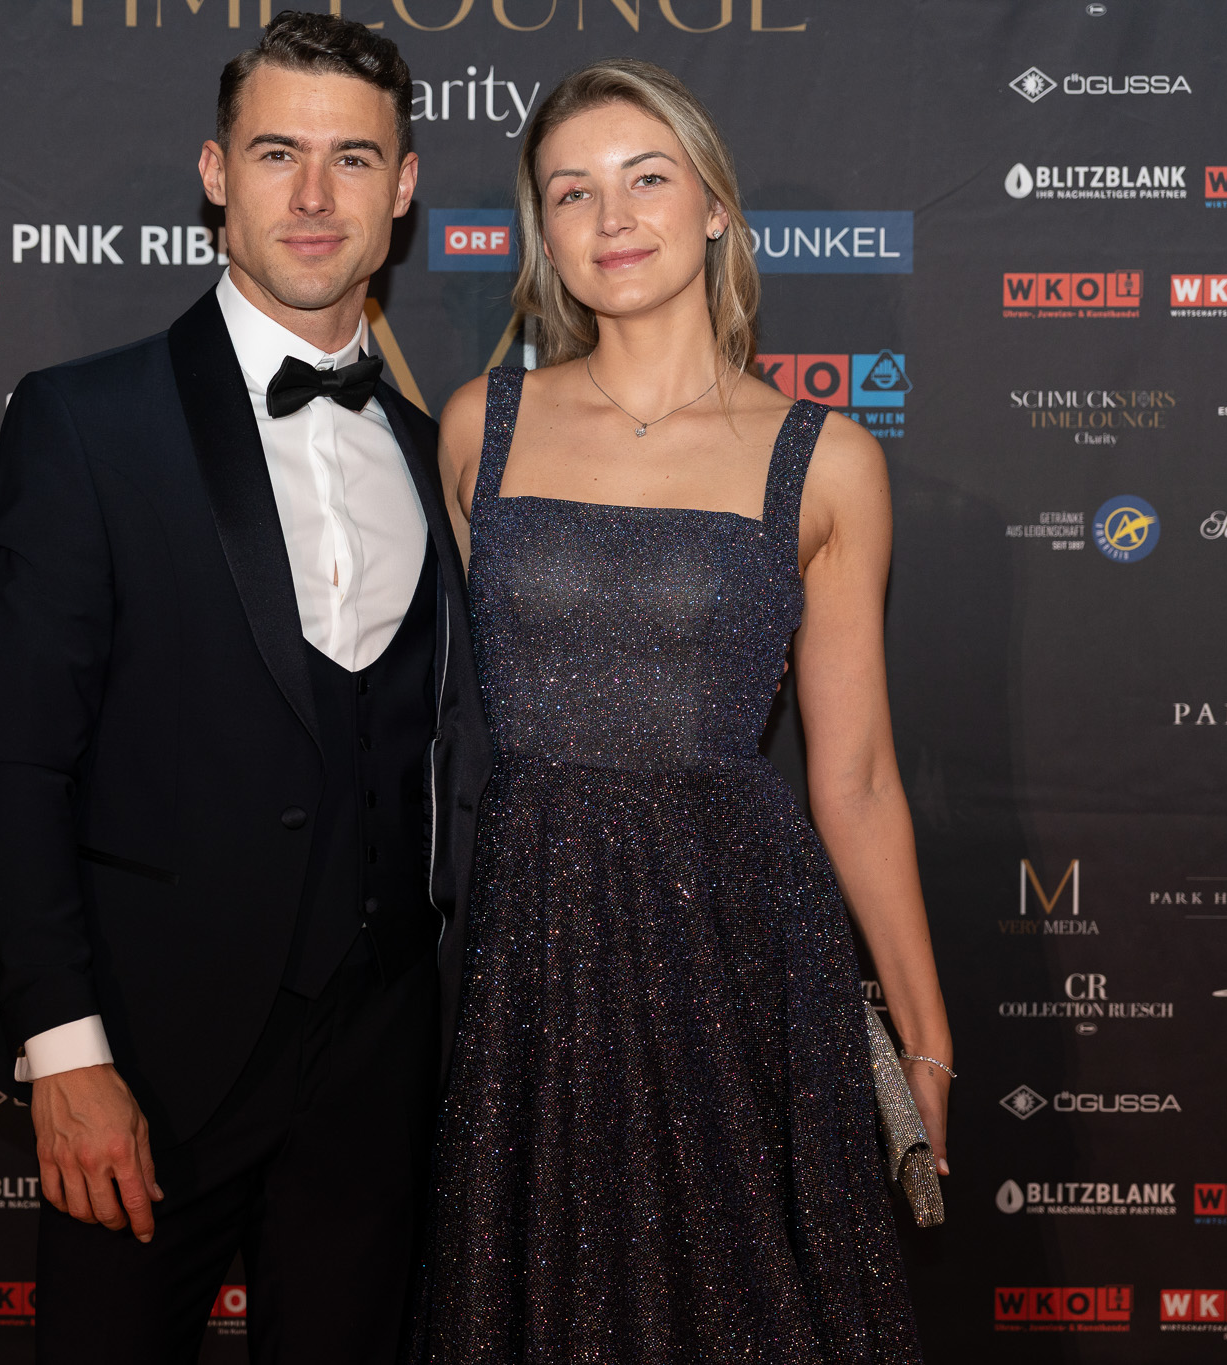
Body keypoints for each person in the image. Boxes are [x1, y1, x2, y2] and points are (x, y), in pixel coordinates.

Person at [0, 13, 487, 1362]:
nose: (314, 197)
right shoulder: (85, 421)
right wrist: (65, 1052)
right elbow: (13, 765)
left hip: (377, 1077)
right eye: (275, 153)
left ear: (404, 188)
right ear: (215, 172)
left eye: (352, 159)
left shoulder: (436, 449)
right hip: (143, 1068)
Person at [409, 59, 948, 1362]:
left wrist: (924, 1032)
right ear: (545, 232)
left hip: (734, 940)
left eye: (646, 178)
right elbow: (455, 727)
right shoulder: (482, 425)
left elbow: (857, 775)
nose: (613, 217)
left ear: (713, 206)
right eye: (572, 191)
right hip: (529, 940)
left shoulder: (826, 458)